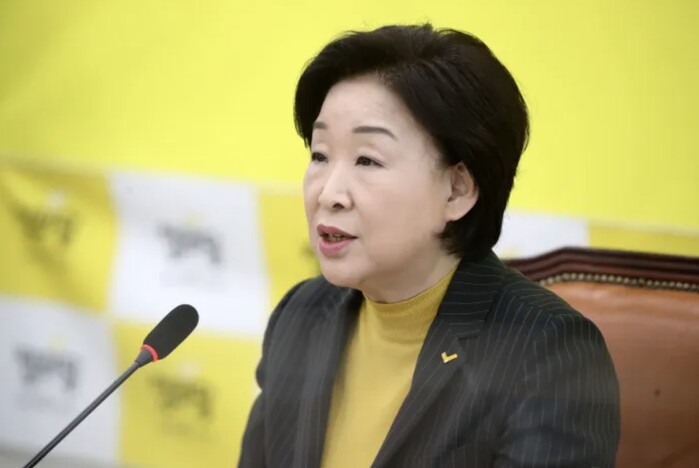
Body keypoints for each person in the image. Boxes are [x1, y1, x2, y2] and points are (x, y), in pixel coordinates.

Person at [239, 24, 620, 468]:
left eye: (367, 160)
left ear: (457, 190)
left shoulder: (546, 354)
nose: (328, 193)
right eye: (320, 155)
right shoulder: (302, 316)